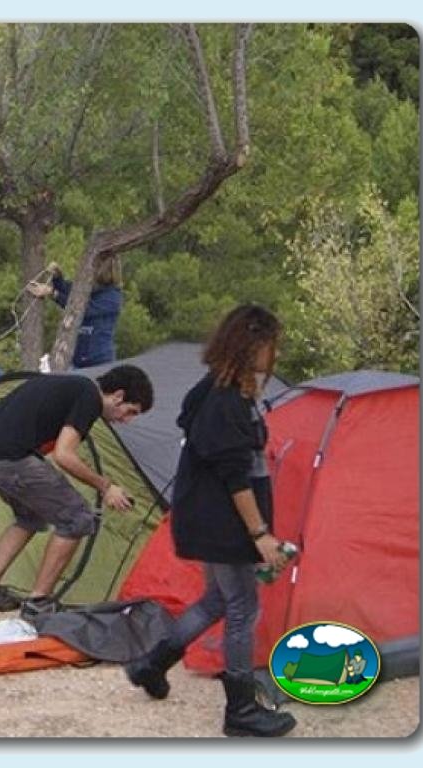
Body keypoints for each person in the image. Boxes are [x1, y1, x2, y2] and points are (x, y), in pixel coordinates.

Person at [124, 303, 296, 738]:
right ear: (251, 345)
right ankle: (241, 710)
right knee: (243, 608)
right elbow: (235, 477)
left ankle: (151, 664)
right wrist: (260, 535)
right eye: (270, 345)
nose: (273, 355)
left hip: (209, 519)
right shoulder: (224, 401)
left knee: (217, 601)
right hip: (225, 525)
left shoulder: (218, 391)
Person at [0, 365, 153, 622]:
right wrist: (106, 486)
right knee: (77, 518)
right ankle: (38, 603)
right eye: (130, 411)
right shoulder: (89, 397)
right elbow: (64, 455)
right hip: (9, 458)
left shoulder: (72, 387)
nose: (127, 420)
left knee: (30, 517)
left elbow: (50, 448)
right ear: (118, 396)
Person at [27, 256, 124, 367]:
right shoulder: (91, 289)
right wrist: (58, 278)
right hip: (77, 360)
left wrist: (52, 293)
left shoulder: (112, 297)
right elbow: (72, 292)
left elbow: (82, 310)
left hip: (99, 361)